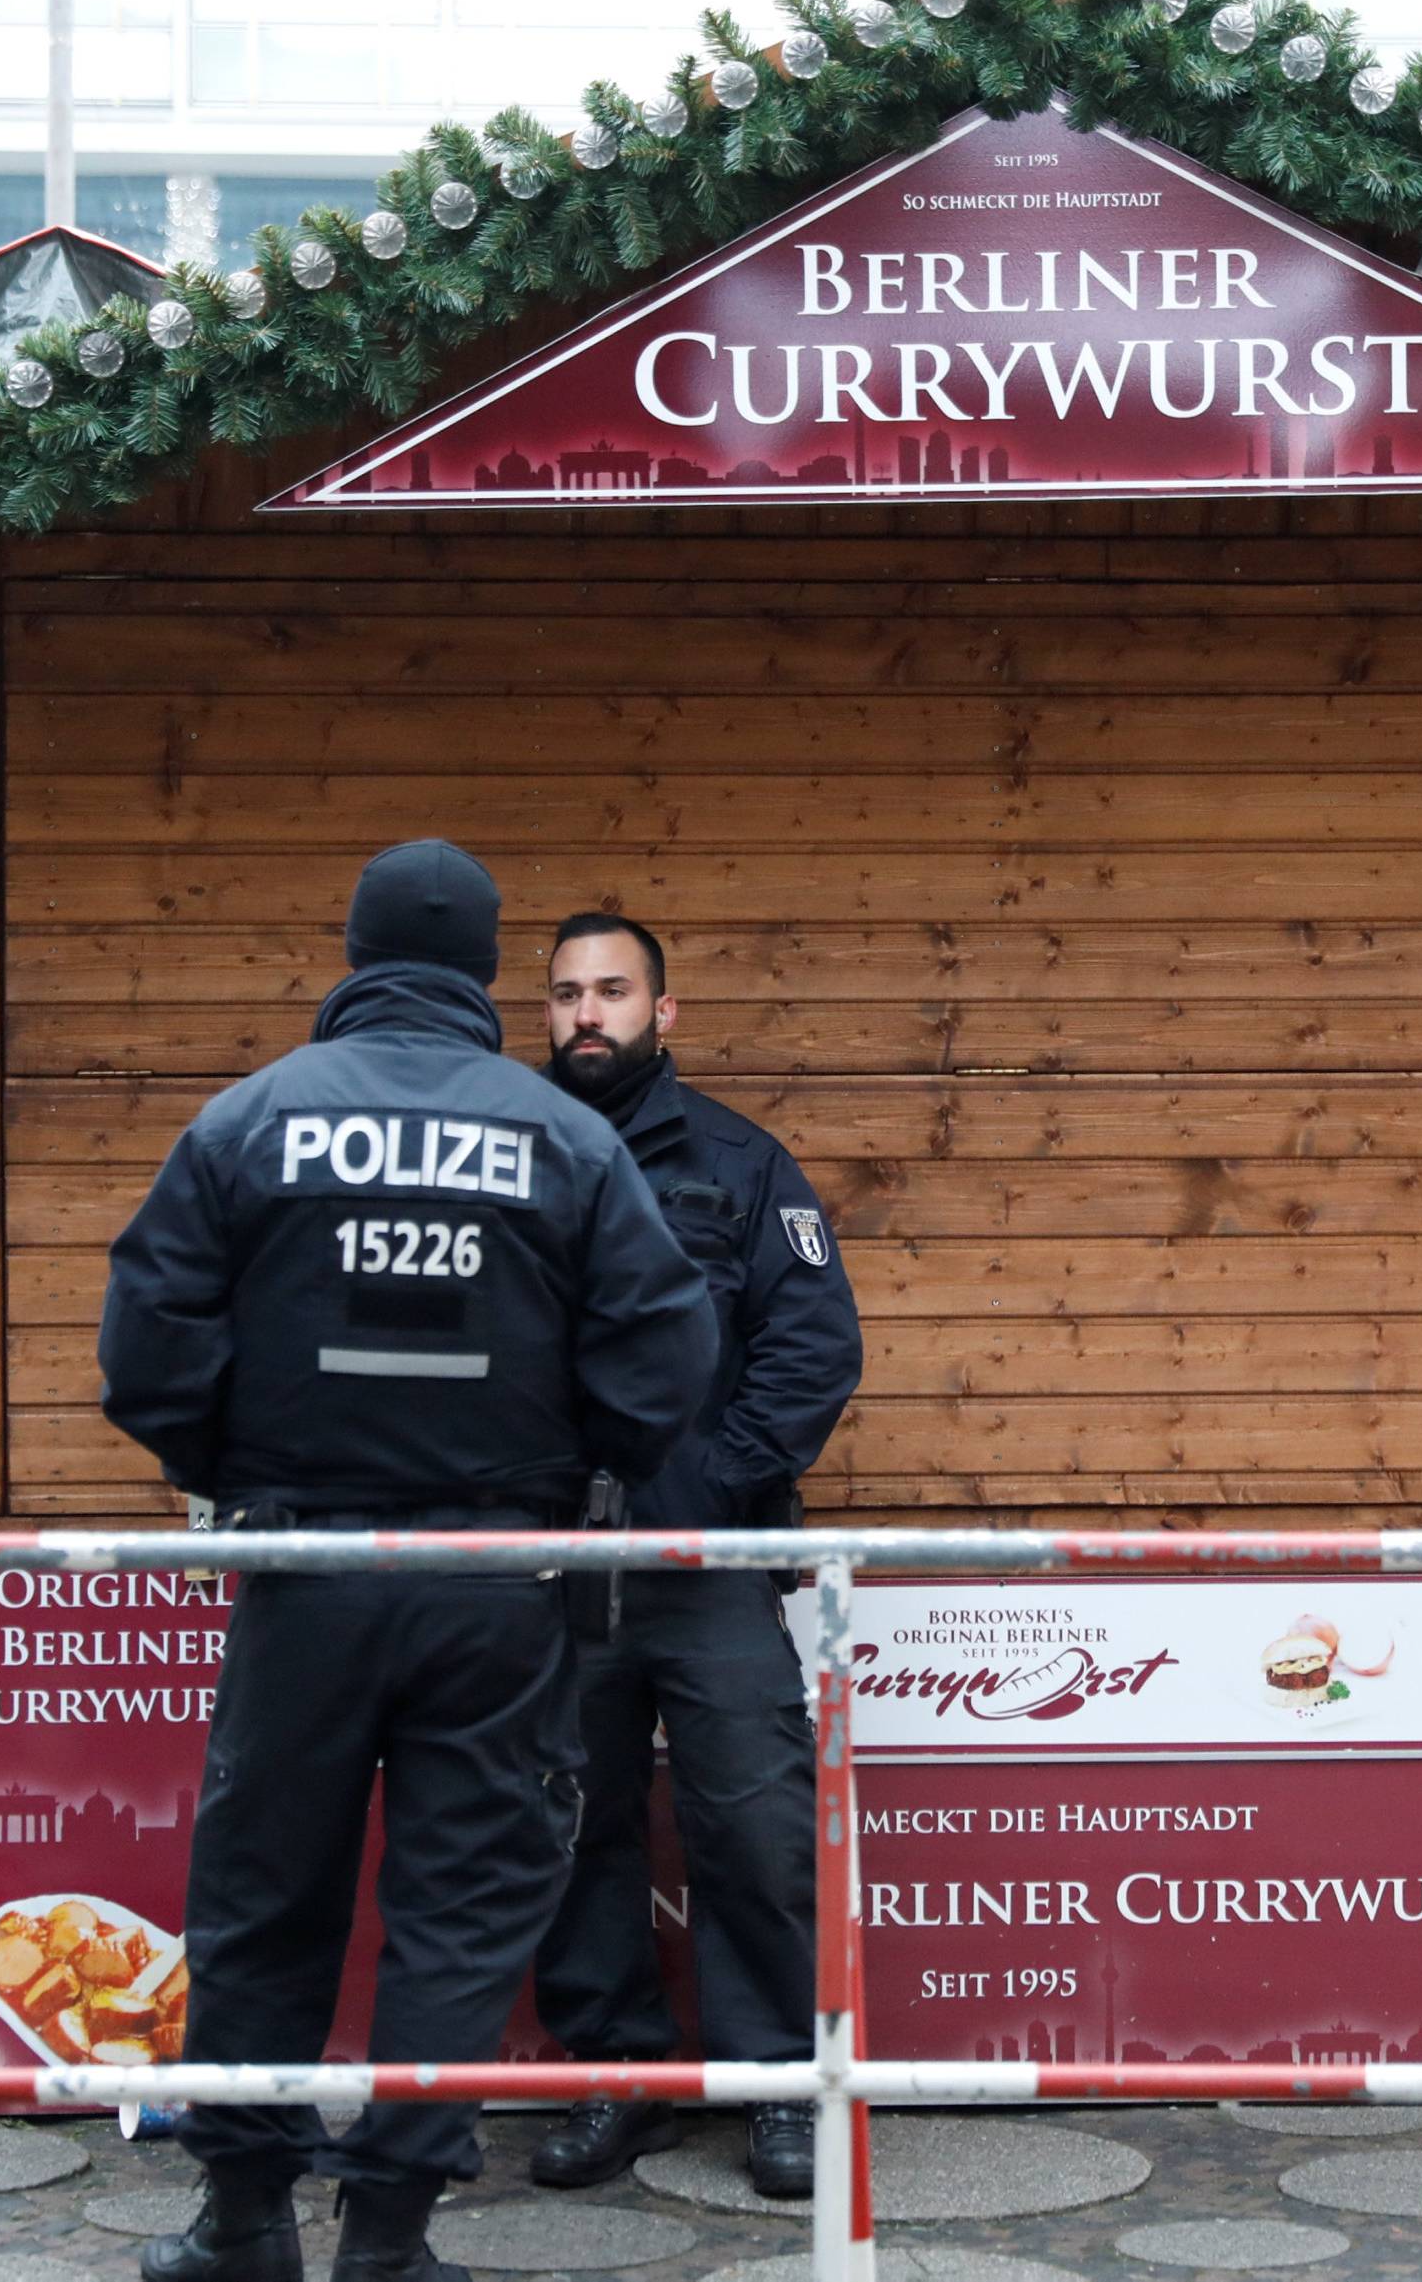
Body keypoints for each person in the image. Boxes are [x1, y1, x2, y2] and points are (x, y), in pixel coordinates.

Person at [98, 844, 717, 2282]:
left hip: (305, 1567)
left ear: (358, 949)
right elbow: (665, 1349)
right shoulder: (560, 1135)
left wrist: (231, 1469)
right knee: (462, 1906)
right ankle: (388, 2236)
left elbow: (146, 1344)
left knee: (264, 1897)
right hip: (497, 1580)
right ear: (484, 964)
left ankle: (241, 2224)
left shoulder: (251, 1119)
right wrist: (572, 1464)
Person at [528, 912, 863, 2201]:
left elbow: (813, 1347)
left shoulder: (740, 1163)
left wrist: (711, 1495)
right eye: (567, 995)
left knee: (757, 1831)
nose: (588, 1014)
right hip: (556, 1577)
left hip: (710, 1570)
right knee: (570, 1830)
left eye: (614, 991)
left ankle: (779, 2088)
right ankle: (616, 2073)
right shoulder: (515, 1164)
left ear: (663, 1012)